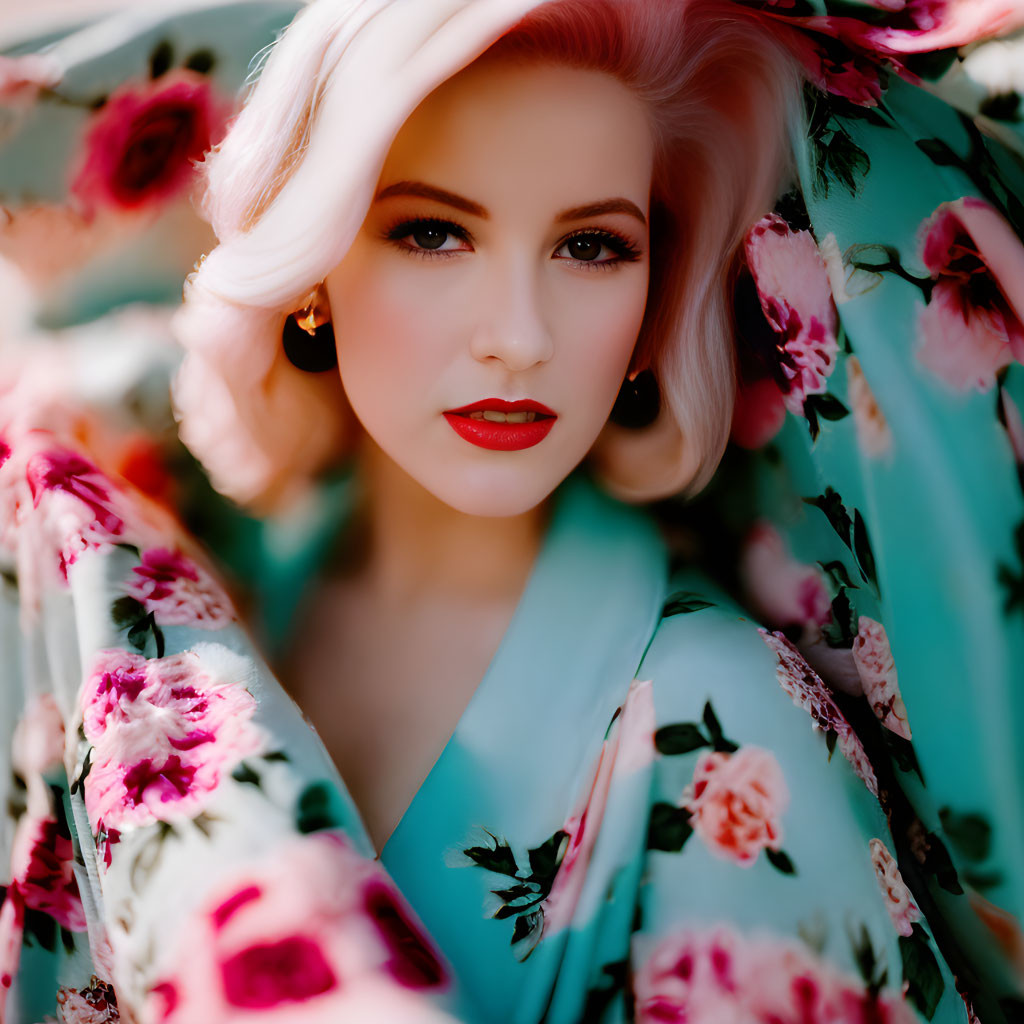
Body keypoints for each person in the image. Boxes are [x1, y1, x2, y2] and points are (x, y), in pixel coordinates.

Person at [1, 0, 1022, 1022]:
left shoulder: (724, 729)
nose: (519, 337)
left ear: (650, 308)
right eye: (435, 232)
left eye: (591, 248)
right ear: (314, 269)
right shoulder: (225, 564)